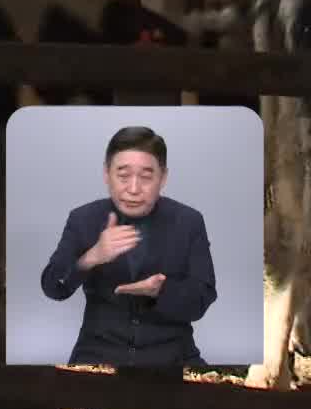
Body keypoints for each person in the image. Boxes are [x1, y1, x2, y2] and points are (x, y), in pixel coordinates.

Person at [39, 125, 217, 374]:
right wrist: (91, 257)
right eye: (123, 175)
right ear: (106, 174)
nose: (133, 189)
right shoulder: (83, 219)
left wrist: (160, 292)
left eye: (146, 177)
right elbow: (52, 286)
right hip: (97, 354)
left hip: (172, 356)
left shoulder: (188, 221)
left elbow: (202, 298)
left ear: (163, 177)